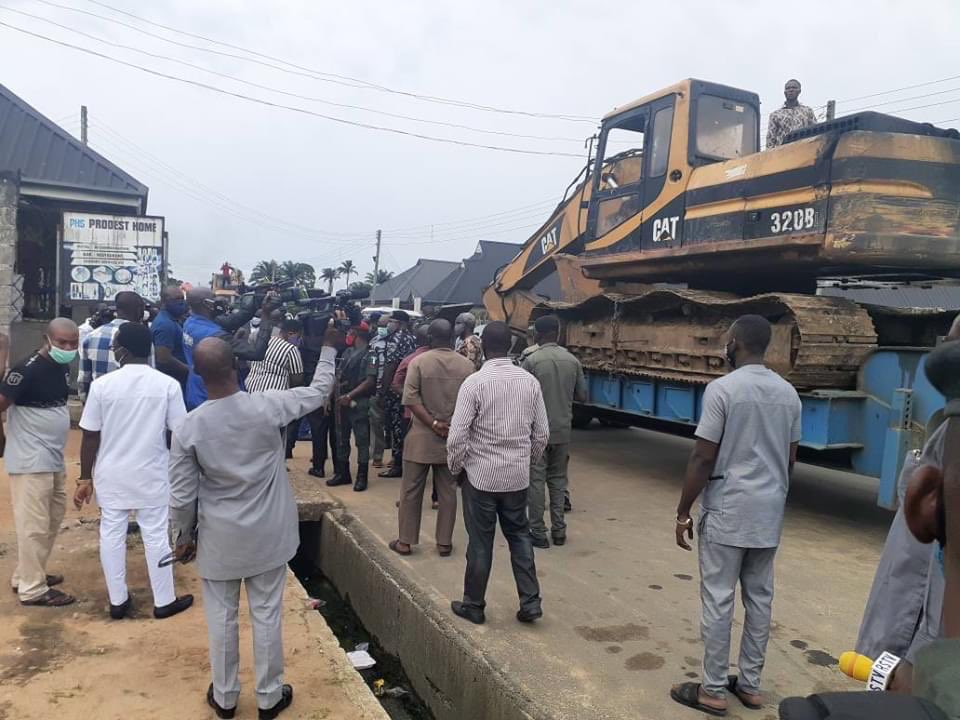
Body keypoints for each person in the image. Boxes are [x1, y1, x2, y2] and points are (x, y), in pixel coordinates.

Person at [168, 328, 338, 719]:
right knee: (266, 614)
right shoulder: (267, 406)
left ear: (197, 374)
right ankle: (268, 697)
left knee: (221, 618)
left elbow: (180, 495)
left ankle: (225, 698)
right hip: (268, 535)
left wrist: (181, 537)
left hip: (218, 538)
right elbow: (318, 391)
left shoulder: (188, 427)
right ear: (238, 367)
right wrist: (327, 347)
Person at [670, 314, 801, 716]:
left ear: (736, 345)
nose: (725, 347)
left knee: (718, 599)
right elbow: (790, 459)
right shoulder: (789, 395)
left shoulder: (723, 390)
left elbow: (703, 455)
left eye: (727, 341)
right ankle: (750, 685)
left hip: (729, 510)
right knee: (760, 599)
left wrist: (682, 510)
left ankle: (711, 689)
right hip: (768, 513)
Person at [74, 323, 193, 620]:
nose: (113, 349)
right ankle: (164, 601)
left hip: (111, 472)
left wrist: (85, 477)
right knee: (155, 535)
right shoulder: (166, 385)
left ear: (124, 350)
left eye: (115, 345)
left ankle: (118, 601)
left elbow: (90, 435)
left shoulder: (103, 385)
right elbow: (178, 433)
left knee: (111, 534)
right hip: (151, 471)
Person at [447, 321, 549, 624]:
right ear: (512, 347)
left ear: (483, 346)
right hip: (516, 478)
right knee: (520, 536)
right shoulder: (529, 382)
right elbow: (541, 434)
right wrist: (524, 460)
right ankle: (530, 603)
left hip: (480, 478)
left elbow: (456, 437)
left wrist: (456, 469)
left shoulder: (475, 383)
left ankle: (474, 605)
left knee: (480, 541)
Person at [1, 318, 79, 607]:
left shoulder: (59, 366)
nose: (68, 348)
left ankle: (26, 574)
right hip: (31, 460)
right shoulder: (26, 370)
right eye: (62, 343)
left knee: (53, 516)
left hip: (52, 457)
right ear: (47, 339)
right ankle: (33, 590)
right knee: (33, 524)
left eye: (73, 343)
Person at [389, 319, 473, 557]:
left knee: (411, 491)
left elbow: (410, 399)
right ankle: (444, 543)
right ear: (450, 338)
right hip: (452, 438)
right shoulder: (466, 366)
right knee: (448, 492)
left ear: (429, 338)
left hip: (421, 437)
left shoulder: (419, 362)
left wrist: (433, 423)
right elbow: (472, 403)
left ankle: (405, 541)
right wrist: (450, 424)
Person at [522, 315, 587, 548]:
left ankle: (538, 532)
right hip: (562, 431)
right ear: (557, 333)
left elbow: (522, 396)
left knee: (536, 481)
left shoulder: (531, 361)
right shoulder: (572, 361)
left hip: (537, 432)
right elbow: (583, 396)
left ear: (538, 334)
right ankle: (559, 531)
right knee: (558, 481)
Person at [181, 288, 277, 411]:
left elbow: (231, 322)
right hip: (216, 401)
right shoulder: (215, 335)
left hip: (196, 391)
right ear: (207, 303)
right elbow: (256, 353)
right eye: (214, 297)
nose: (218, 300)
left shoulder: (191, 322)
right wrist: (266, 315)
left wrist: (257, 301)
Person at [392, 324, 439, 509]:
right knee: (439, 461)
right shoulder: (447, 360)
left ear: (416, 339)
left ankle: (408, 499)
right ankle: (437, 498)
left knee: (412, 460)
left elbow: (396, 385)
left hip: (411, 416)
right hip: (441, 416)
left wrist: (413, 398)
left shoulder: (410, 360)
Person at [327, 325, 376, 491]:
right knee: (341, 439)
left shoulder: (371, 354)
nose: (346, 336)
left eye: (348, 333)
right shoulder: (347, 353)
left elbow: (370, 381)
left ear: (355, 335)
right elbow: (338, 376)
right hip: (341, 401)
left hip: (358, 402)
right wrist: (330, 396)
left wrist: (350, 396)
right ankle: (343, 473)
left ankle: (362, 476)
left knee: (361, 440)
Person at [78, 291, 148, 398]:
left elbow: (84, 379)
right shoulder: (143, 337)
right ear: (139, 310)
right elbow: (150, 372)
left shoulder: (92, 336)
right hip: (134, 403)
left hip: (101, 401)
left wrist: (87, 403)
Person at [378, 310, 416, 478]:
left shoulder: (396, 338)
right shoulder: (412, 338)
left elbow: (391, 365)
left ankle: (397, 465)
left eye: (391, 321)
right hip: (408, 387)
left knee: (396, 428)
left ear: (399, 323)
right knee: (404, 427)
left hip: (395, 390)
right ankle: (402, 461)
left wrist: (383, 391)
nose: (388, 324)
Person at [152, 285, 189, 386]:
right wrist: (190, 370)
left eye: (182, 298)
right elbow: (163, 358)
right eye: (177, 299)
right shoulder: (164, 324)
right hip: (173, 381)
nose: (182, 302)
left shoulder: (172, 320)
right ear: (164, 302)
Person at [766, 79, 818, 149]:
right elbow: (770, 140)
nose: (790, 90)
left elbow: (816, 132)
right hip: (782, 154)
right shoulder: (775, 115)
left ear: (799, 91)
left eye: (794, 88)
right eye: (788, 88)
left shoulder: (807, 111)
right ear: (784, 92)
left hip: (803, 151)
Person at [369, 313, 390, 468]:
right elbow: (371, 363)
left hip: (391, 389)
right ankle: (377, 456)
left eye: (385, 325)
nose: (382, 328)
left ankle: (392, 456)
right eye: (380, 325)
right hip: (375, 387)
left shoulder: (397, 342)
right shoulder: (374, 341)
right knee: (375, 422)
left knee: (389, 425)